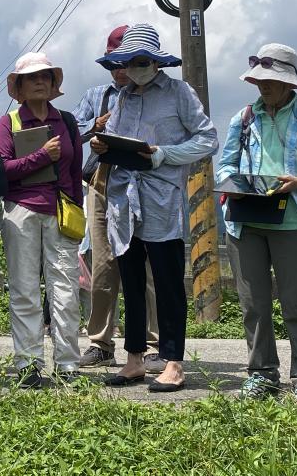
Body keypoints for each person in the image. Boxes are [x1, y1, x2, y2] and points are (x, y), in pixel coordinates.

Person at [216, 43, 297, 401]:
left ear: (289, 82)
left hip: (296, 223)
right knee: (253, 304)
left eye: (271, 79)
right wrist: (232, 184)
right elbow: (225, 164)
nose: (263, 85)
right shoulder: (243, 118)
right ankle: (262, 374)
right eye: (259, 79)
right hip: (246, 222)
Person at [91, 24, 218, 392]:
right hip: (123, 199)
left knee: (166, 282)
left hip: (162, 198)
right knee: (131, 280)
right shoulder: (123, 97)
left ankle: (173, 361)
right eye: (129, 62)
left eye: (142, 61)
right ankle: (134, 359)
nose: (135, 68)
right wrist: (101, 145)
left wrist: (164, 155)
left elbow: (207, 139)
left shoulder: (179, 93)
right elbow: (115, 137)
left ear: (157, 62)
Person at [0, 51, 84, 388]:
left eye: (45, 76)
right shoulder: (9, 122)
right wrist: (41, 156)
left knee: (66, 290)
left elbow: (75, 172)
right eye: (31, 77)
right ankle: (28, 364)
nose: (40, 82)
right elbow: (0, 169)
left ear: (53, 83)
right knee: (24, 289)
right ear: (19, 86)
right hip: (21, 210)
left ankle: (68, 364)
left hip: (61, 212)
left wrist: (77, 212)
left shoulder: (67, 121)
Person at [73, 25, 162, 371]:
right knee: (103, 264)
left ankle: (154, 344)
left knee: (149, 265)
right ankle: (100, 342)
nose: (121, 70)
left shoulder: (157, 95)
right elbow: (71, 131)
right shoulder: (97, 95)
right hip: (102, 180)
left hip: (146, 182)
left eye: (128, 62)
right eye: (115, 64)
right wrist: (97, 125)